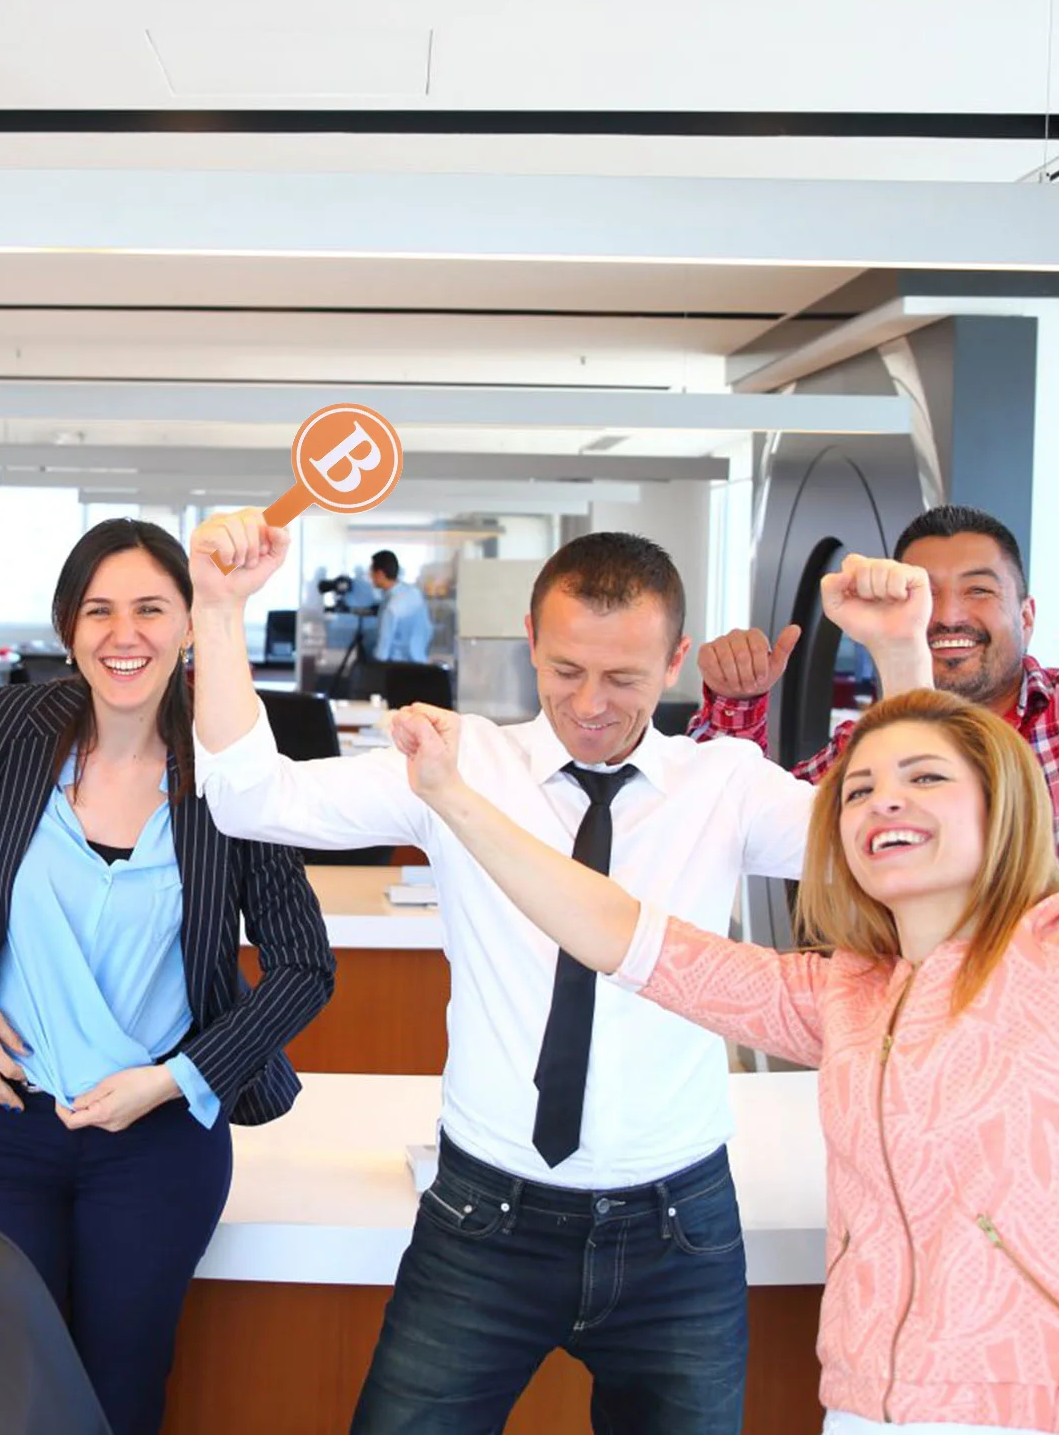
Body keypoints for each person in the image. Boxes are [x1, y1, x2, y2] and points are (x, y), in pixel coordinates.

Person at [190, 511, 815, 1435]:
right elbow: (250, 798)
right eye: (565, 670)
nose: (592, 703)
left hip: (678, 1228)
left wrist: (899, 656)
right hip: (485, 1218)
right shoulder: (458, 759)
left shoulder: (726, 783)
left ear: (676, 659)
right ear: (530, 641)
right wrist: (218, 606)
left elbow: (915, 849)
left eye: (625, 678)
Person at [392, 675, 1059, 1435]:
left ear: (1005, 805)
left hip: (1053, 1404)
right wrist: (451, 794)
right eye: (857, 791)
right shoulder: (843, 997)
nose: (883, 802)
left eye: (926, 777)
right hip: (873, 1406)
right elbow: (618, 932)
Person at [0, 518, 335, 1435]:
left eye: (153, 609)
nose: (126, 635)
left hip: (157, 1139)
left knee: (118, 1395)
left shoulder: (231, 757)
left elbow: (303, 967)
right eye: (100, 611)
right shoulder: (7, 727)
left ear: (192, 623)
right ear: (68, 627)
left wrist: (176, 1079)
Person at [690, 505, 1059, 886]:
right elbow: (726, 825)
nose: (947, 616)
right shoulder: (862, 758)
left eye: (979, 591)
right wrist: (736, 701)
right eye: (924, 594)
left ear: (1026, 616)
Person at [369, 549, 433, 663]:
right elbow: (427, 629)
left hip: (397, 668)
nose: (369, 576)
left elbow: (383, 648)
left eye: (371, 572)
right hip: (420, 662)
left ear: (380, 574)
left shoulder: (391, 608)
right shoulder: (414, 593)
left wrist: (373, 667)